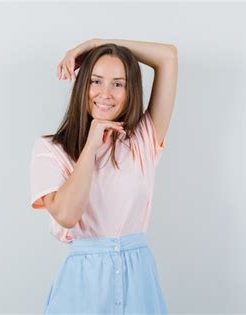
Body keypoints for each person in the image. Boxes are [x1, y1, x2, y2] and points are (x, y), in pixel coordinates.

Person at [29, 38, 177, 314]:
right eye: (95, 81)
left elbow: (168, 57)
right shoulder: (50, 149)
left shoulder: (142, 138)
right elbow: (67, 215)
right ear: (82, 85)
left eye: (118, 84)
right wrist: (91, 145)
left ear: (130, 90)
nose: (105, 93)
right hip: (84, 285)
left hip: (139, 281)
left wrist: (97, 44)